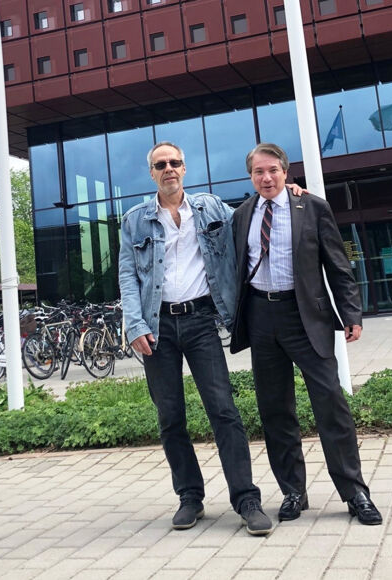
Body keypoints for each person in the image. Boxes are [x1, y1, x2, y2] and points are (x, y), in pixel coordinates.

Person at [118, 142, 307, 536]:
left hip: (201, 320)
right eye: (160, 164)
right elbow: (127, 276)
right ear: (151, 172)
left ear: (185, 168)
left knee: (224, 411)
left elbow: (254, 212)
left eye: (175, 163)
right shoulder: (135, 220)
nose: (169, 169)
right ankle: (190, 497)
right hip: (157, 326)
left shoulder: (211, 208)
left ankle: (246, 499)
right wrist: (134, 324)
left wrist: (287, 192)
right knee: (170, 417)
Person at [230, 143, 382, 526]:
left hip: (306, 318)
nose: (266, 178)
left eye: (273, 171)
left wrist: (351, 313)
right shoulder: (242, 214)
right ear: (251, 177)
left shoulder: (311, 207)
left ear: (286, 172)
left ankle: (355, 492)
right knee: (275, 410)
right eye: (258, 172)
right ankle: (293, 492)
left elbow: (337, 265)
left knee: (331, 404)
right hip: (261, 317)